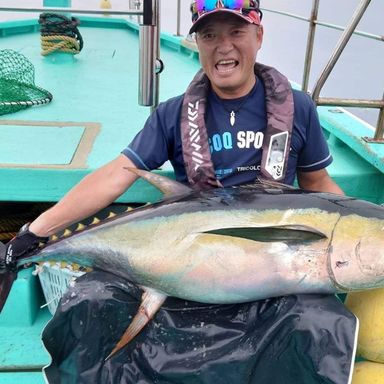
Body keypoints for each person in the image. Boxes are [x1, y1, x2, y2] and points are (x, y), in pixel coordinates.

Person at [1, 1, 356, 383]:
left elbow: (317, 183)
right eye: (209, 35)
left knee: (319, 325)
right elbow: (115, 176)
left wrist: (358, 219)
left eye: (236, 32)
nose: (223, 46)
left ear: (258, 36)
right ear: (197, 43)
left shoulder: (298, 107)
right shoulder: (172, 114)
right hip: (188, 260)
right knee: (93, 303)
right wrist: (34, 233)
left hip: (272, 267)